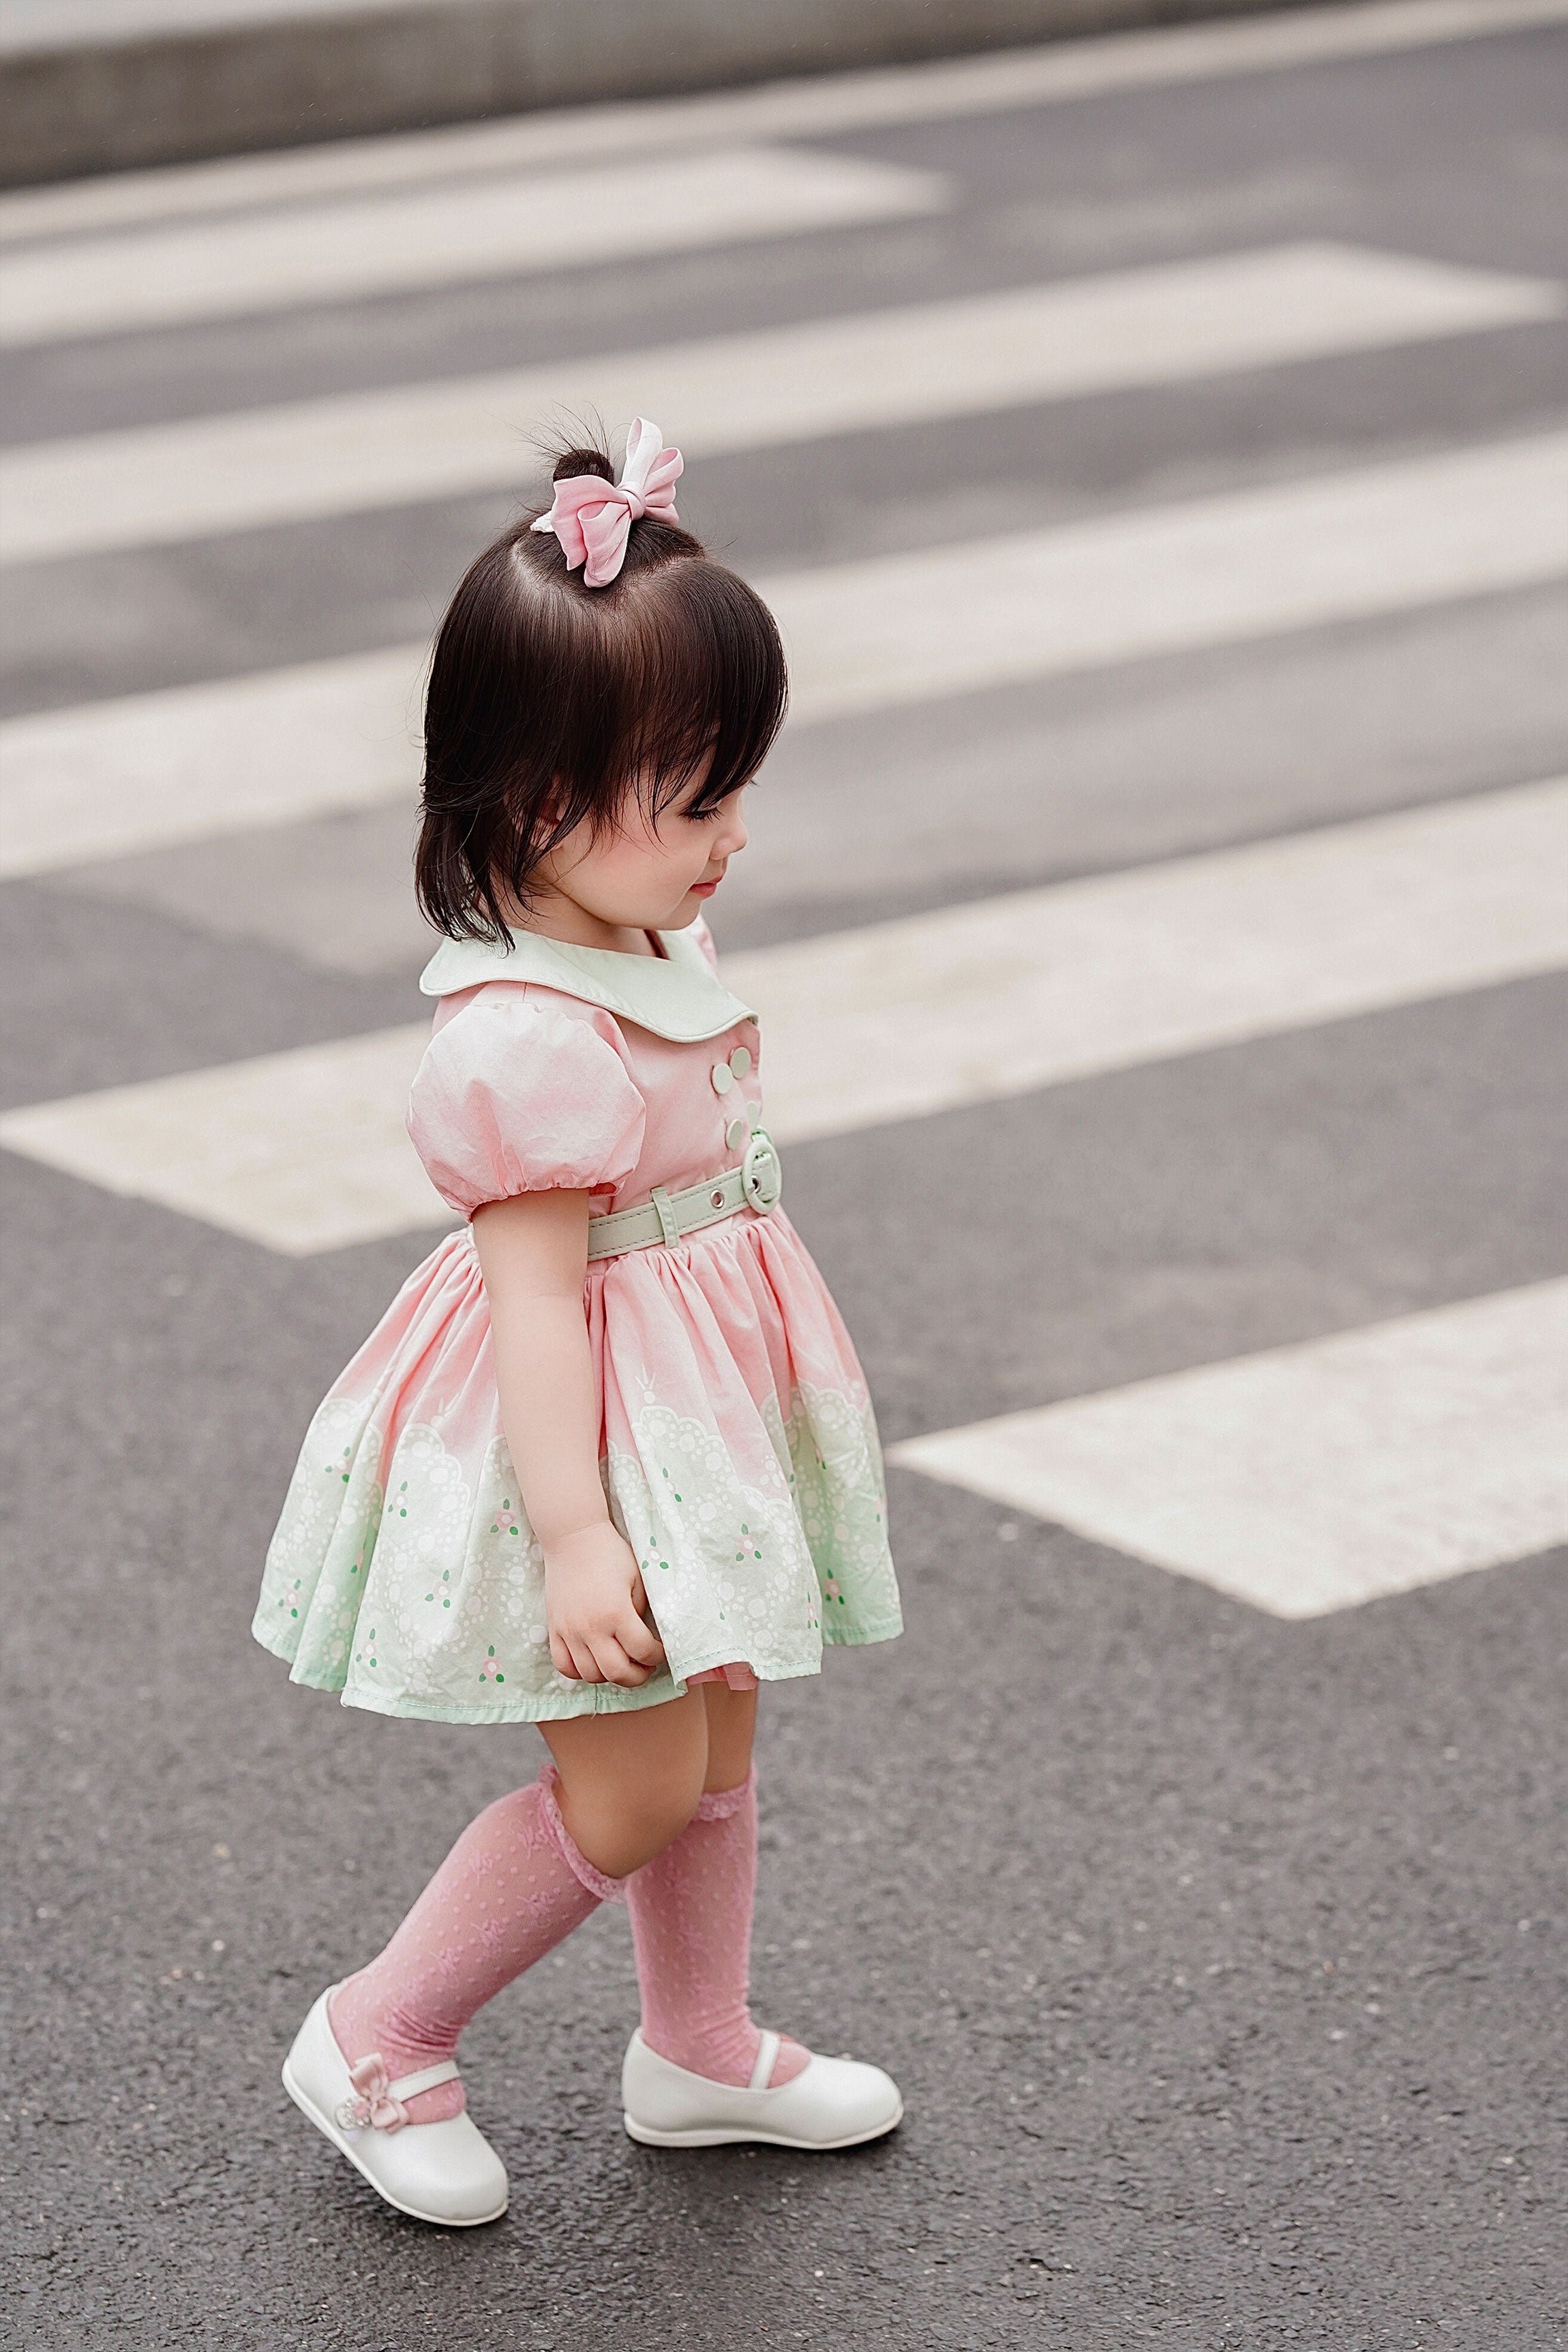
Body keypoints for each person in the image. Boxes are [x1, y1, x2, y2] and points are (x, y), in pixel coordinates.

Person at [254, 418, 905, 2227]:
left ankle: (697, 2044)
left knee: (719, 1722)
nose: (730, 833)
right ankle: (378, 2031)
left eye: (733, 788)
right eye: (693, 797)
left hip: (685, 1408)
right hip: (592, 1436)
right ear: (539, 807)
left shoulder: (626, 939)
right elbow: (535, 1303)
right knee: (623, 1788)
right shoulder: (526, 1037)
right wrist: (575, 1535)